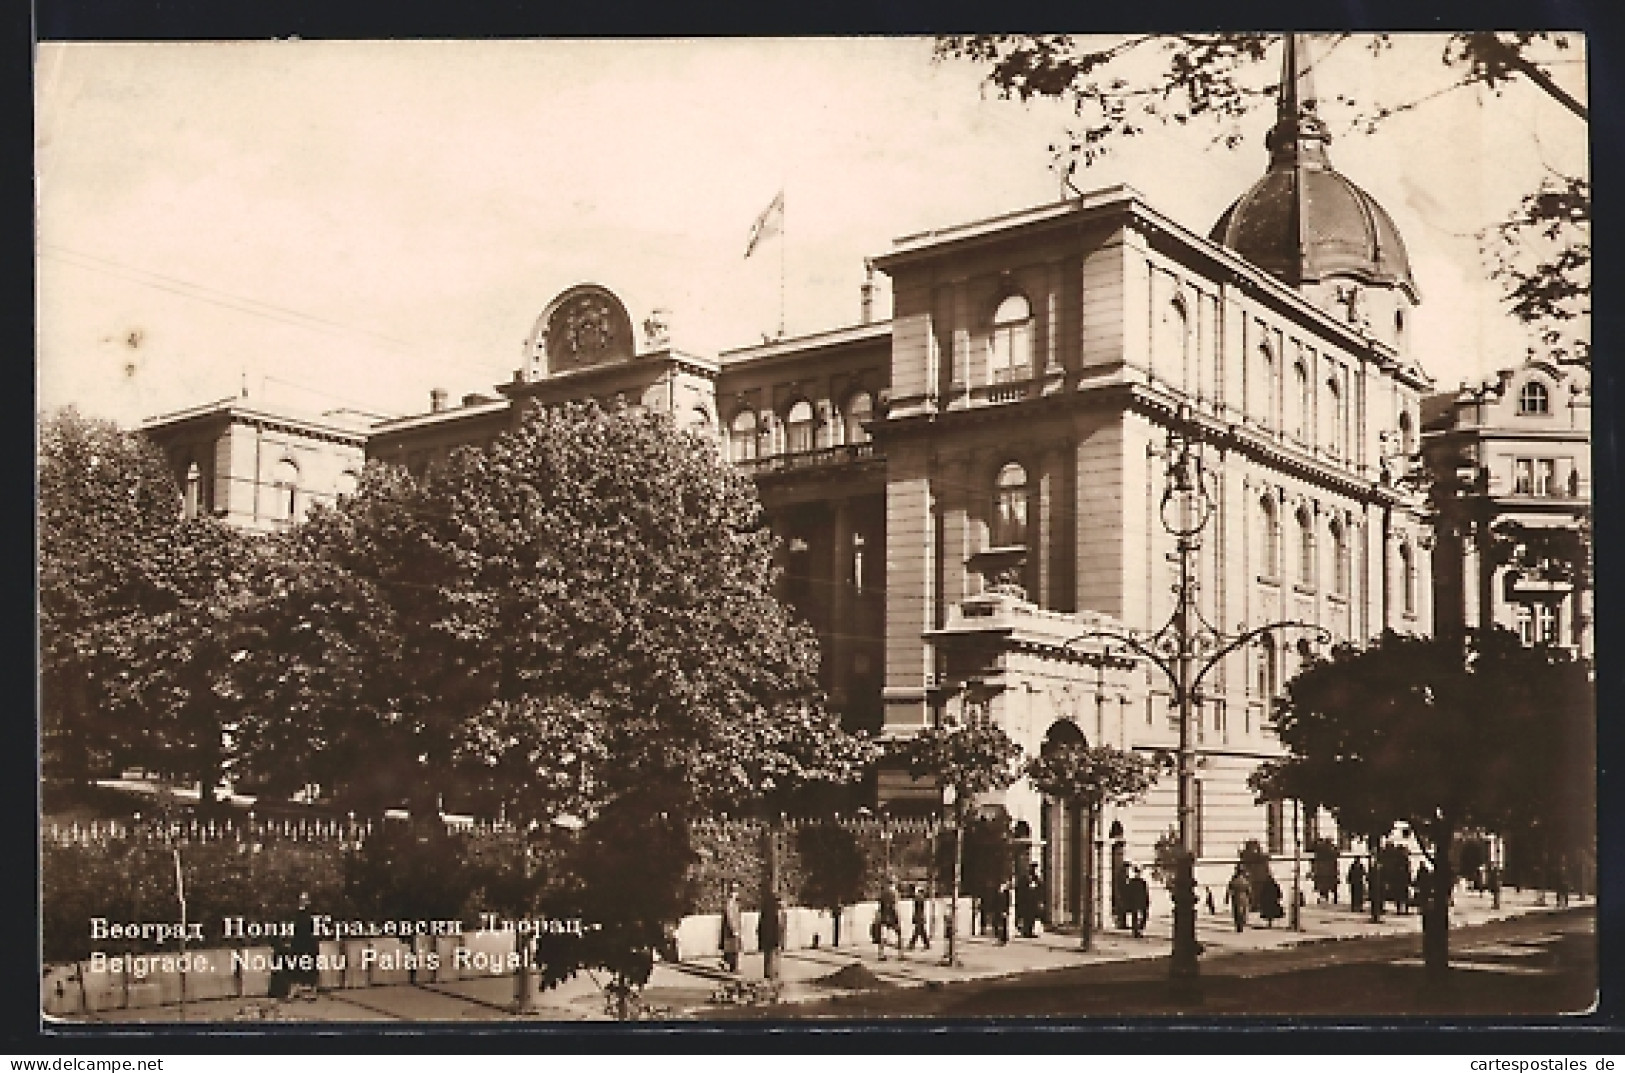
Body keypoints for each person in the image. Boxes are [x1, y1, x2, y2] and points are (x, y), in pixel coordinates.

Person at [876, 877, 903, 960]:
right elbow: (894, 905)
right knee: (898, 933)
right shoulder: (893, 893)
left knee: (883, 935)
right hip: (891, 915)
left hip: (884, 915)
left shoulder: (883, 893)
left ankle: (881, 954)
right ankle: (900, 954)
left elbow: (880, 905)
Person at [719, 881, 742, 974]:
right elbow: (730, 917)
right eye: (735, 890)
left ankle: (726, 963)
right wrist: (734, 929)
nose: (737, 893)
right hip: (731, 930)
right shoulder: (731, 903)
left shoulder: (734, 903)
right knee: (733, 949)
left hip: (732, 929)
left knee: (731, 949)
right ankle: (733, 967)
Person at [1124, 865, 1151, 938]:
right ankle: (1136, 931)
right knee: (1135, 916)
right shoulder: (1132, 882)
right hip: (1135, 901)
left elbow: (1145, 892)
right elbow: (1128, 893)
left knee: (1143, 916)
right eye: (1136, 873)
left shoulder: (1142, 882)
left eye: (1138, 873)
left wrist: (1147, 901)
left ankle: (1139, 929)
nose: (1137, 874)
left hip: (1140, 901)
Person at [1225, 865, 1251, 933]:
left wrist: (1227, 898)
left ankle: (1238, 926)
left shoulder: (1234, 879)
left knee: (1237, 912)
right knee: (1243, 912)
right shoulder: (1245, 880)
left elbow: (1229, 889)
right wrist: (1250, 898)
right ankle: (1241, 925)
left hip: (1236, 897)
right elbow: (1248, 889)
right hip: (1244, 897)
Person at [908, 884, 931, 951]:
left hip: (919, 916)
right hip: (920, 916)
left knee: (918, 931)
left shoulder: (919, 897)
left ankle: (912, 944)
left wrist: (915, 917)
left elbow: (917, 908)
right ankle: (926, 944)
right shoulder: (920, 897)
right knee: (921, 931)